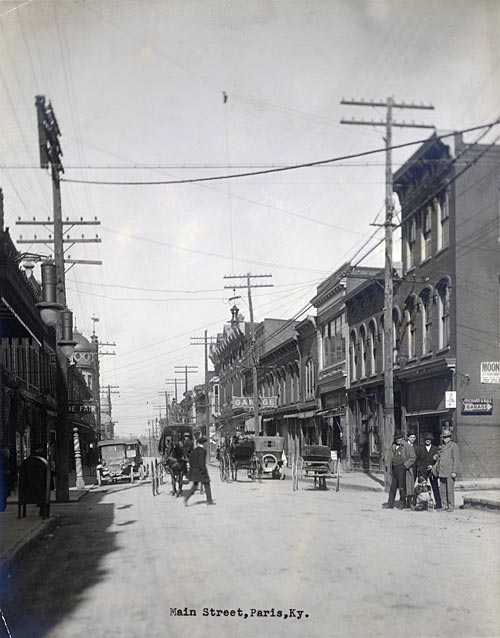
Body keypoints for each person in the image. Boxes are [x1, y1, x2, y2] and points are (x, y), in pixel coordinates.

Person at [383, 431, 416, 509]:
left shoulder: (407, 446)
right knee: (392, 487)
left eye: (400, 438)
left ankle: (402, 503)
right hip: (394, 469)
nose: (398, 440)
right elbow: (390, 457)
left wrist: (405, 465)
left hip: (402, 469)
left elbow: (413, 458)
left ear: (402, 438)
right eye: (397, 438)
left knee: (402, 487)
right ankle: (390, 504)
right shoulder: (393, 446)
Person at [184, 437, 215, 506]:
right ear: (204, 443)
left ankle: (186, 498)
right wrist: (204, 471)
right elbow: (202, 463)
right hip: (201, 471)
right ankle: (209, 501)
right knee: (207, 484)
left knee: (195, 486)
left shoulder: (194, 451)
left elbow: (190, 461)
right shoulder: (202, 451)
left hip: (194, 471)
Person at [436, 429, 460, 511]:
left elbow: (456, 459)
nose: (446, 438)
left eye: (448, 437)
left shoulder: (454, 446)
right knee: (442, 490)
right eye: (444, 437)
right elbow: (439, 458)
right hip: (442, 470)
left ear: (450, 437)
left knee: (449, 490)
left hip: (449, 471)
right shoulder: (441, 447)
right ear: (442, 438)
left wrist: (454, 471)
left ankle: (451, 506)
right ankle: (444, 505)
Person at [416, 432, 442, 509]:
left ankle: (438, 503)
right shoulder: (420, 449)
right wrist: (420, 468)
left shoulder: (435, 449)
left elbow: (438, 460)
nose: (428, 441)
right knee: (422, 488)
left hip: (432, 471)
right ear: (424, 440)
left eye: (429, 439)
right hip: (423, 471)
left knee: (435, 487)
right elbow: (418, 460)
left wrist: (433, 466)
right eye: (427, 439)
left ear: (431, 440)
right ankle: (422, 503)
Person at [405, 431, 418, 508]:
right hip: (406, 468)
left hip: (414, 469)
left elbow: (418, 459)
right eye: (411, 437)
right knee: (406, 485)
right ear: (408, 438)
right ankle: (405, 501)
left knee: (412, 485)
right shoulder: (404, 446)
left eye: (414, 438)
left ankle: (411, 502)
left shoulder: (416, 447)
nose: (412, 439)